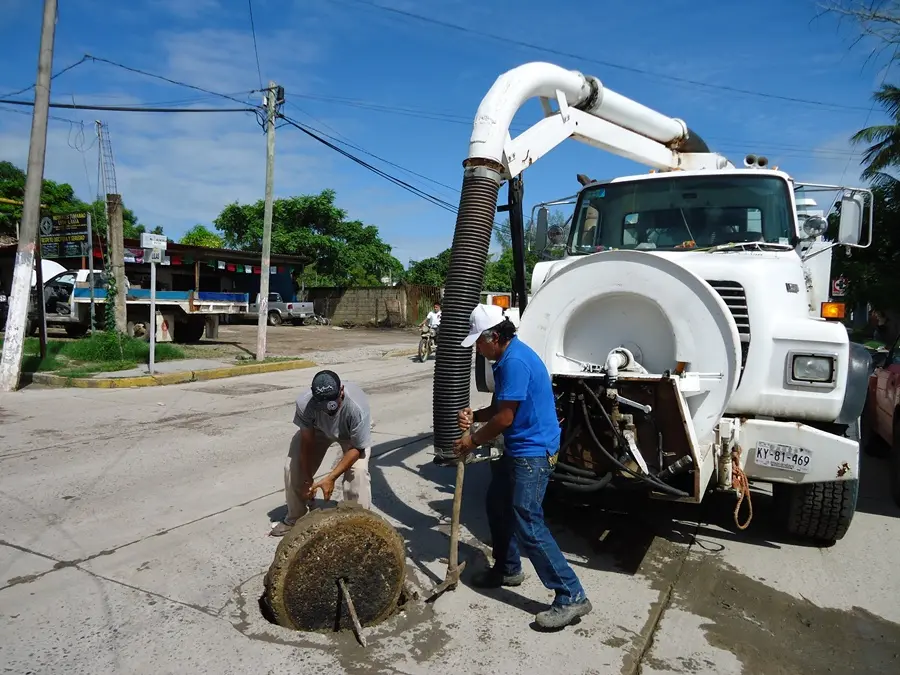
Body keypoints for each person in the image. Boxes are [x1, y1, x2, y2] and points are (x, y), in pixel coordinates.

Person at [453, 304, 592, 629]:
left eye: (478, 341)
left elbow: (506, 418)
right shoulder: (506, 358)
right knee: (497, 504)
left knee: (527, 520)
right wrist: (476, 415)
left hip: (534, 450)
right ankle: (508, 568)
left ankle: (572, 595)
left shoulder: (514, 361)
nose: (476, 347)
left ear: (495, 336)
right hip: (519, 446)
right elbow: (501, 408)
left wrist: (471, 441)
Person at [270, 369, 373, 537]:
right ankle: (296, 517)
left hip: (350, 436)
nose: (329, 411)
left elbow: (357, 448)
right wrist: (306, 477)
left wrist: (331, 478)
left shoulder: (356, 407)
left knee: (358, 473)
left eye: (333, 405)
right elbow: (307, 442)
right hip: (318, 429)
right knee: (292, 467)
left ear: (341, 390)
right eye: (323, 407)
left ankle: (358, 527)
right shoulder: (305, 404)